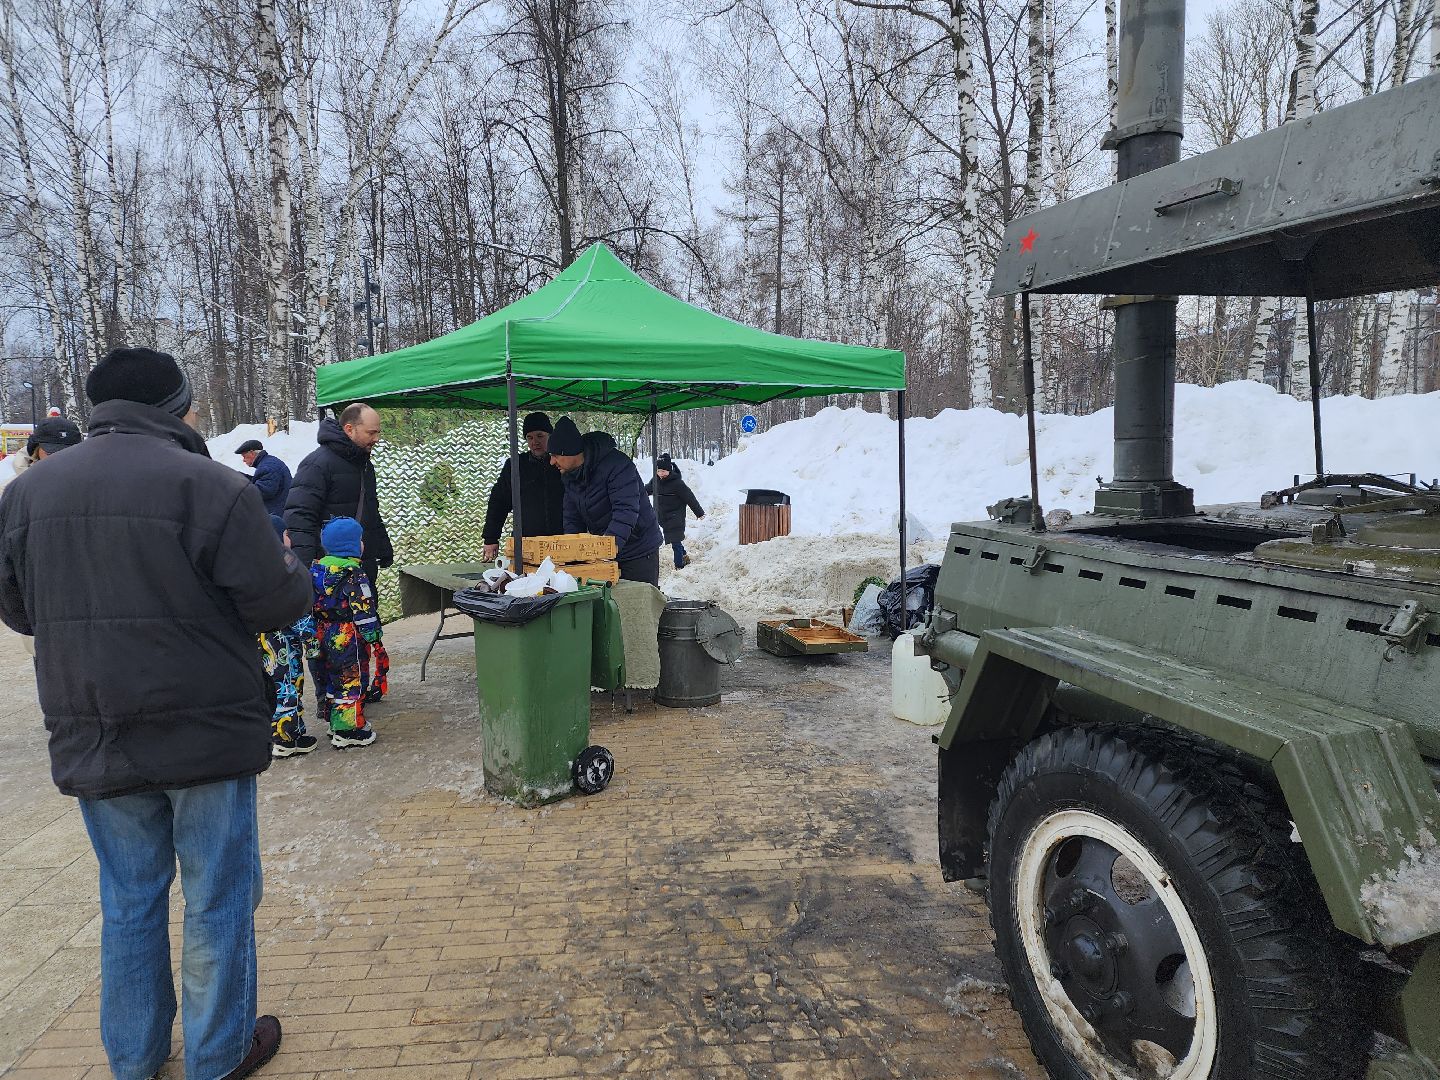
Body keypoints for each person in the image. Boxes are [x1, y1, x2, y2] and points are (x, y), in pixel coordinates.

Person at [0, 346, 310, 1080]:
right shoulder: (214, 488)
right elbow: (277, 602)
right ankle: (217, 1054)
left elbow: (18, 609)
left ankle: (133, 1061)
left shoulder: (28, 494)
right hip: (204, 732)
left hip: (94, 725)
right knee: (218, 898)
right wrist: (289, 562)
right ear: (177, 407)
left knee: (130, 900)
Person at [284, 402, 393, 604]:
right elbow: (299, 518)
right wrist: (306, 569)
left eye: (378, 432)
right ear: (349, 429)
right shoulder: (317, 464)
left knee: (365, 626)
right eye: (371, 433)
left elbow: (370, 509)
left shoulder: (364, 464)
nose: (376, 439)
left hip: (361, 569)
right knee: (336, 633)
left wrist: (382, 546)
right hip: (328, 574)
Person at [547, 415, 664, 585]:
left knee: (637, 605)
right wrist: (573, 556)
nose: (551, 461)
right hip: (607, 552)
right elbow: (572, 520)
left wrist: (605, 552)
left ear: (570, 451)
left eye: (555, 455)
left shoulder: (617, 465)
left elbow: (626, 512)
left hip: (638, 550)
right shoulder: (570, 476)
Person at [310, 517, 382, 748]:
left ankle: (335, 723)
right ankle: (348, 730)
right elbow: (364, 609)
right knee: (351, 680)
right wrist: (373, 635)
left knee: (332, 678)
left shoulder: (316, 569)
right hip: (347, 634)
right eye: (360, 540)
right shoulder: (354, 573)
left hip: (322, 631)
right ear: (352, 545)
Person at [262, 515, 319, 759]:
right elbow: (300, 613)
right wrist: (313, 644)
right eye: (287, 534)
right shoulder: (287, 573)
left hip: (260, 645)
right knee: (287, 689)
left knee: (270, 689)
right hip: (284, 646)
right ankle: (285, 739)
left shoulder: (252, 569)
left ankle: (286, 732)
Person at [481, 411, 565, 562]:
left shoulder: (563, 463)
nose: (535, 442)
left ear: (550, 436)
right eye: (530, 437)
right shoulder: (515, 465)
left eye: (540, 436)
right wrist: (491, 538)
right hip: (526, 544)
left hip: (562, 543)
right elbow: (498, 502)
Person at [645, 454, 706, 570]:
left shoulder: (677, 484)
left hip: (675, 517)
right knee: (675, 541)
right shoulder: (655, 481)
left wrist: (699, 513)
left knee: (675, 541)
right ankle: (684, 556)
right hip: (662, 516)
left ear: (669, 470)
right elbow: (646, 490)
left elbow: (690, 498)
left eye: (663, 471)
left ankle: (679, 566)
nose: (661, 473)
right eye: (658, 471)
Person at [237, 439, 293, 516]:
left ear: (252, 453)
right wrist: (241, 477)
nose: (243, 460)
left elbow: (262, 492)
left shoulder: (267, 467)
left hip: (277, 514)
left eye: (244, 456)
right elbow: (262, 481)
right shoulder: (268, 462)